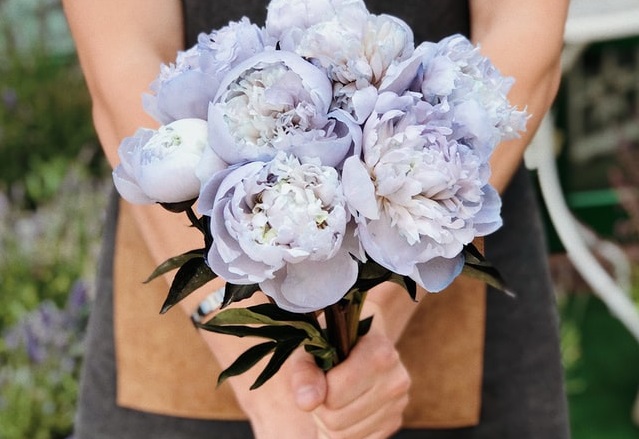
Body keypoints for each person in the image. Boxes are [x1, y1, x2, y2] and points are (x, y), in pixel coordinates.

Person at [62, 0, 571, 437]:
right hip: (188, 333)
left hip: (441, 255)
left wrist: (364, 329)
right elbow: (117, 61)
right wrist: (268, 366)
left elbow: (526, 32)